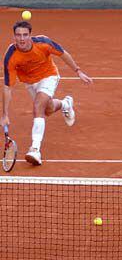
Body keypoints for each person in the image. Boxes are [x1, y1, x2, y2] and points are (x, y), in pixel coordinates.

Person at [1, 21, 93, 166]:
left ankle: (35, 149)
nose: (22, 39)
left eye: (25, 35)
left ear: (30, 35)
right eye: (18, 35)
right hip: (30, 83)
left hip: (48, 76)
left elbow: (63, 53)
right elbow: (7, 87)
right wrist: (5, 114)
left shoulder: (43, 43)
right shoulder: (11, 56)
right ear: (14, 37)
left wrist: (78, 71)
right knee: (48, 109)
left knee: (38, 107)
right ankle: (66, 104)